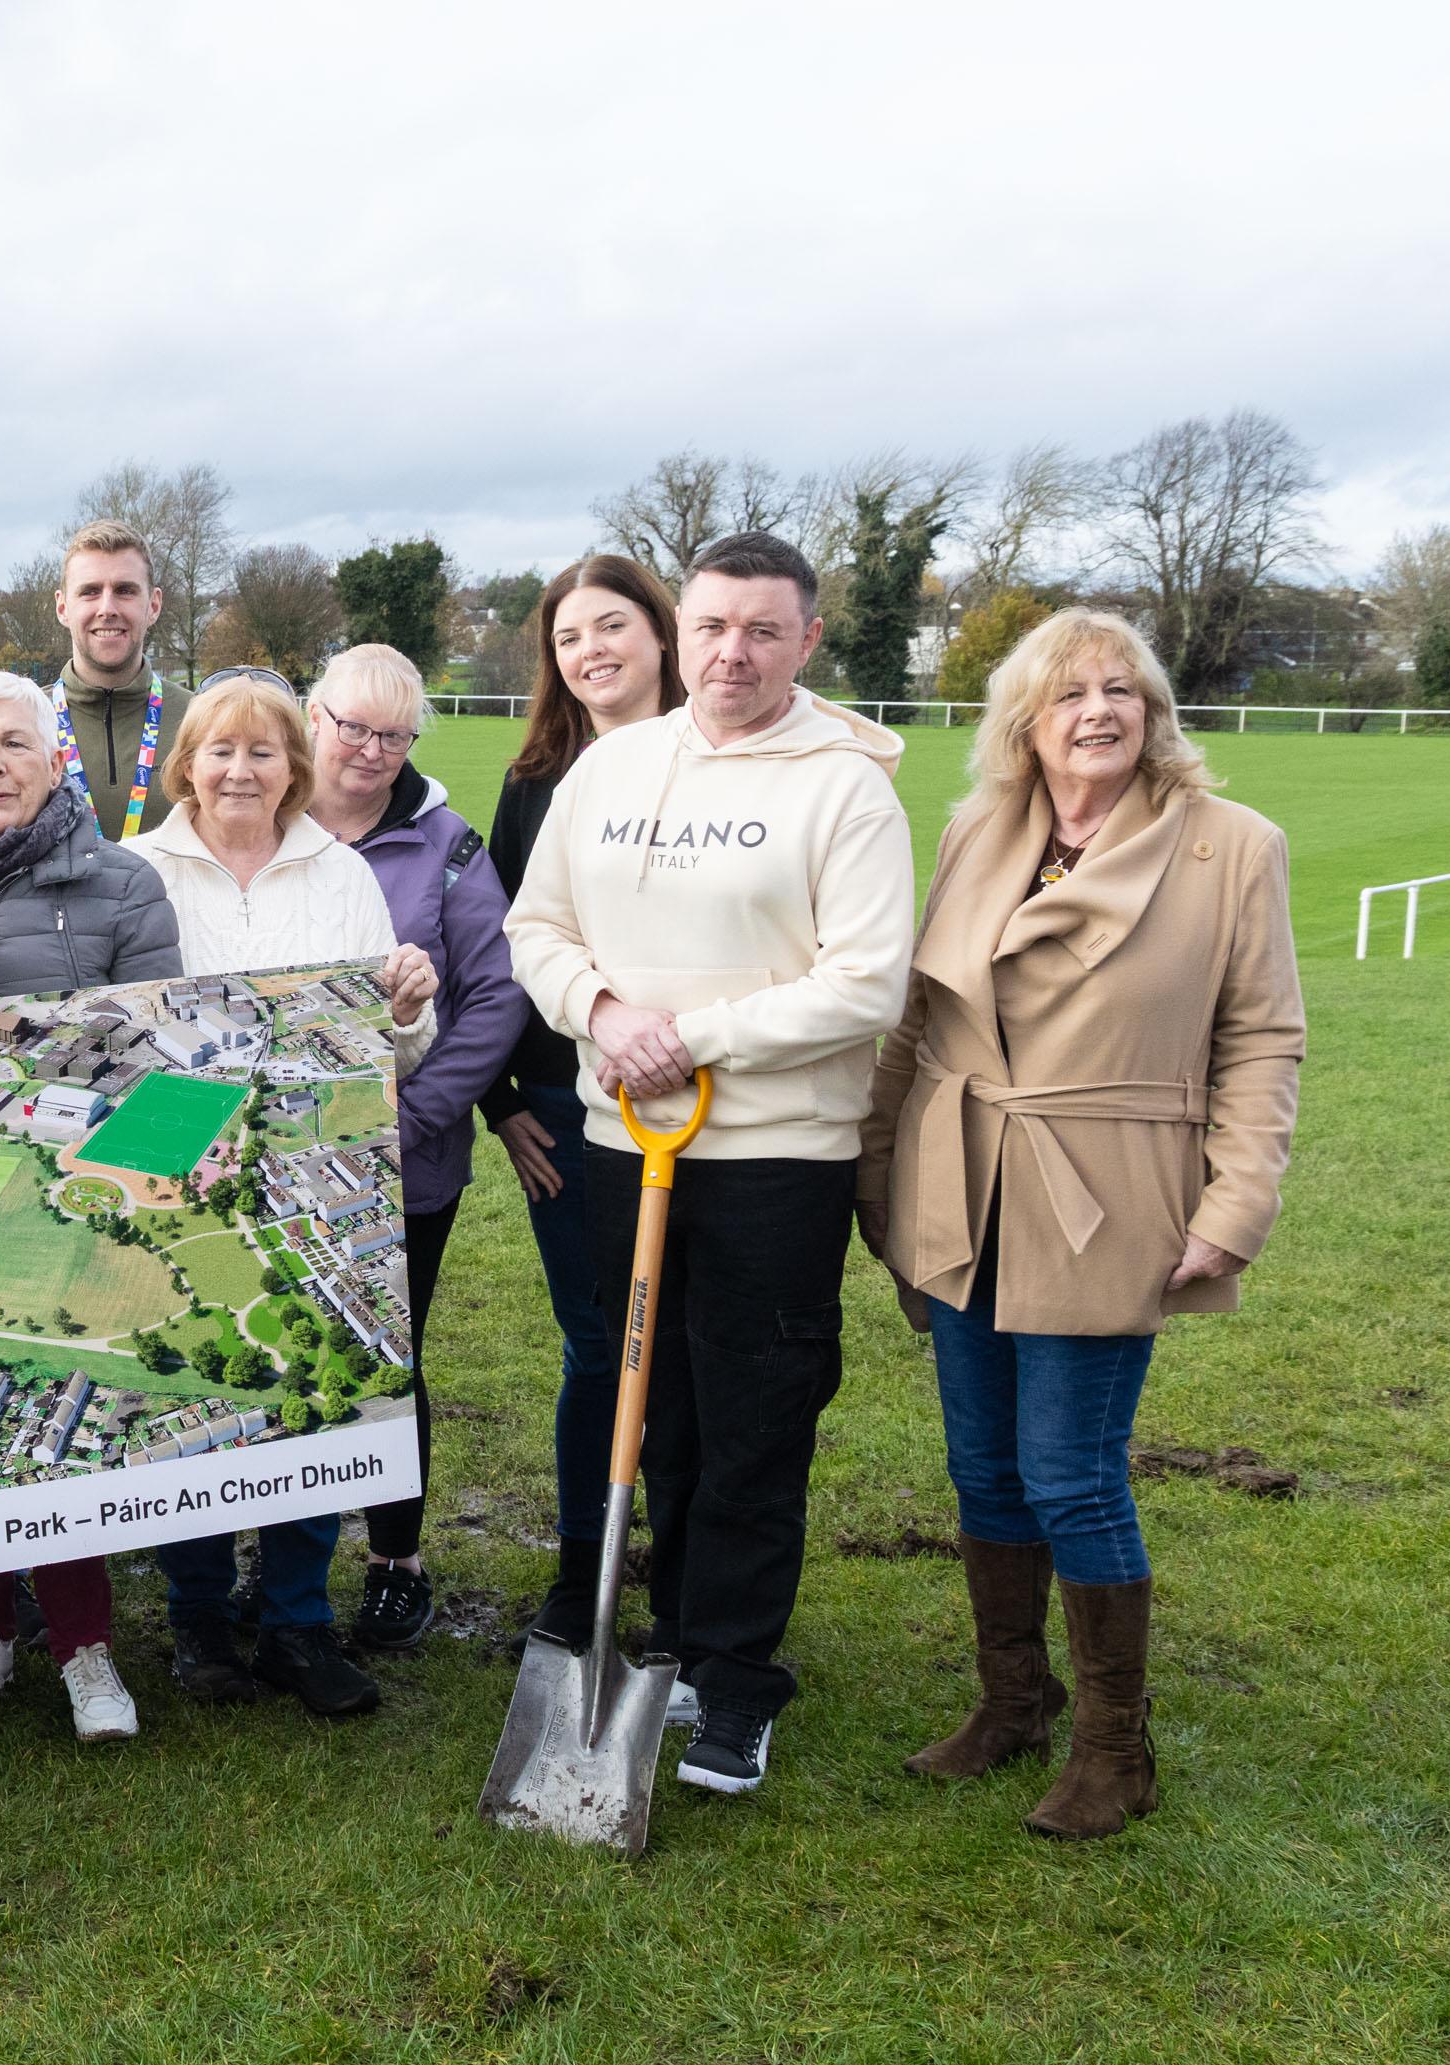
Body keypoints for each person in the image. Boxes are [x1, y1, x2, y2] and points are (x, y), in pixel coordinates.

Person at [860, 608, 1302, 1839]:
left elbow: (1263, 1039)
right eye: (1070, 693)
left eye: (1123, 689)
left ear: (1156, 712)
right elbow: (917, 1015)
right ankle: (1015, 1702)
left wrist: (1236, 1202)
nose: (1099, 710)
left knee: (1071, 1471)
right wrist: (877, 1164)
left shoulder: (1230, 847)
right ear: (1026, 722)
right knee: (985, 1467)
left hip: (1108, 1193)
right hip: (960, 1180)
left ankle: (1118, 1749)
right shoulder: (979, 829)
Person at [504, 530, 914, 1796]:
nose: (732, 653)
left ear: (807, 641)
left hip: (774, 1160)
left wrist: (691, 1037)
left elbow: (866, 983)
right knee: (657, 1408)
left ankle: (736, 1682)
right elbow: (537, 925)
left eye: (762, 630)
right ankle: (673, 1640)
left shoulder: (847, 788)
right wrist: (603, 1011)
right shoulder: (612, 766)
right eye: (712, 626)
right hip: (627, 1144)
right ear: (681, 632)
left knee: (754, 1414)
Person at [123, 669, 437, 1719]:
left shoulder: (341, 873)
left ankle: (298, 1618)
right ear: (188, 764)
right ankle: (200, 1614)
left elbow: (391, 1048)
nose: (240, 769)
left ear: (293, 767)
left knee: (313, 1369)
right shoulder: (138, 869)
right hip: (181, 1148)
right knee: (200, 1376)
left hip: (310, 1149)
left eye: (262, 751)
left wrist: (407, 1008)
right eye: (220, 749)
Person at [0, 669, 180, 1743]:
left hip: (72, 1183)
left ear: (57, 760)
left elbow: (155, 1048)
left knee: (62, 1411)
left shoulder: (127, 884)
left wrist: (102, 1182)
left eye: (16, 743)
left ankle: (83, 1641)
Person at [470, 557, 687, 1643]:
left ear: (661, 632)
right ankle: (581, 1573)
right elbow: (506, 945)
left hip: (713, 1106)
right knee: (600, 1345)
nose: (591, 650)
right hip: (566, 1112)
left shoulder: (725, 763)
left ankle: (693, 1588)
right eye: (568, 637)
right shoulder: (536, 781)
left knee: (693, 1357)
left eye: (612, 625)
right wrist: (504, 1100)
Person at [299, 647, 525, 1654]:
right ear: (314, 717)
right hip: (279, 1153)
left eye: (393, 735)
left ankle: (397, 1561)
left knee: (391, 1357)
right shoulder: (263, 820)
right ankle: (281, 1563)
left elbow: (496, 996)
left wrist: (415, 1116)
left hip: (407, 1158)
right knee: (290, 1354)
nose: (371, 750)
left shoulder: (447, 844)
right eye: (354, 726)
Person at [47, 519, 179, 842]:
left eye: (125, 591)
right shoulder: (22, 720)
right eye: (90, 592)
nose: (107, 608)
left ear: (154, 605)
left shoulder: (201, 720)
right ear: (63, 607)